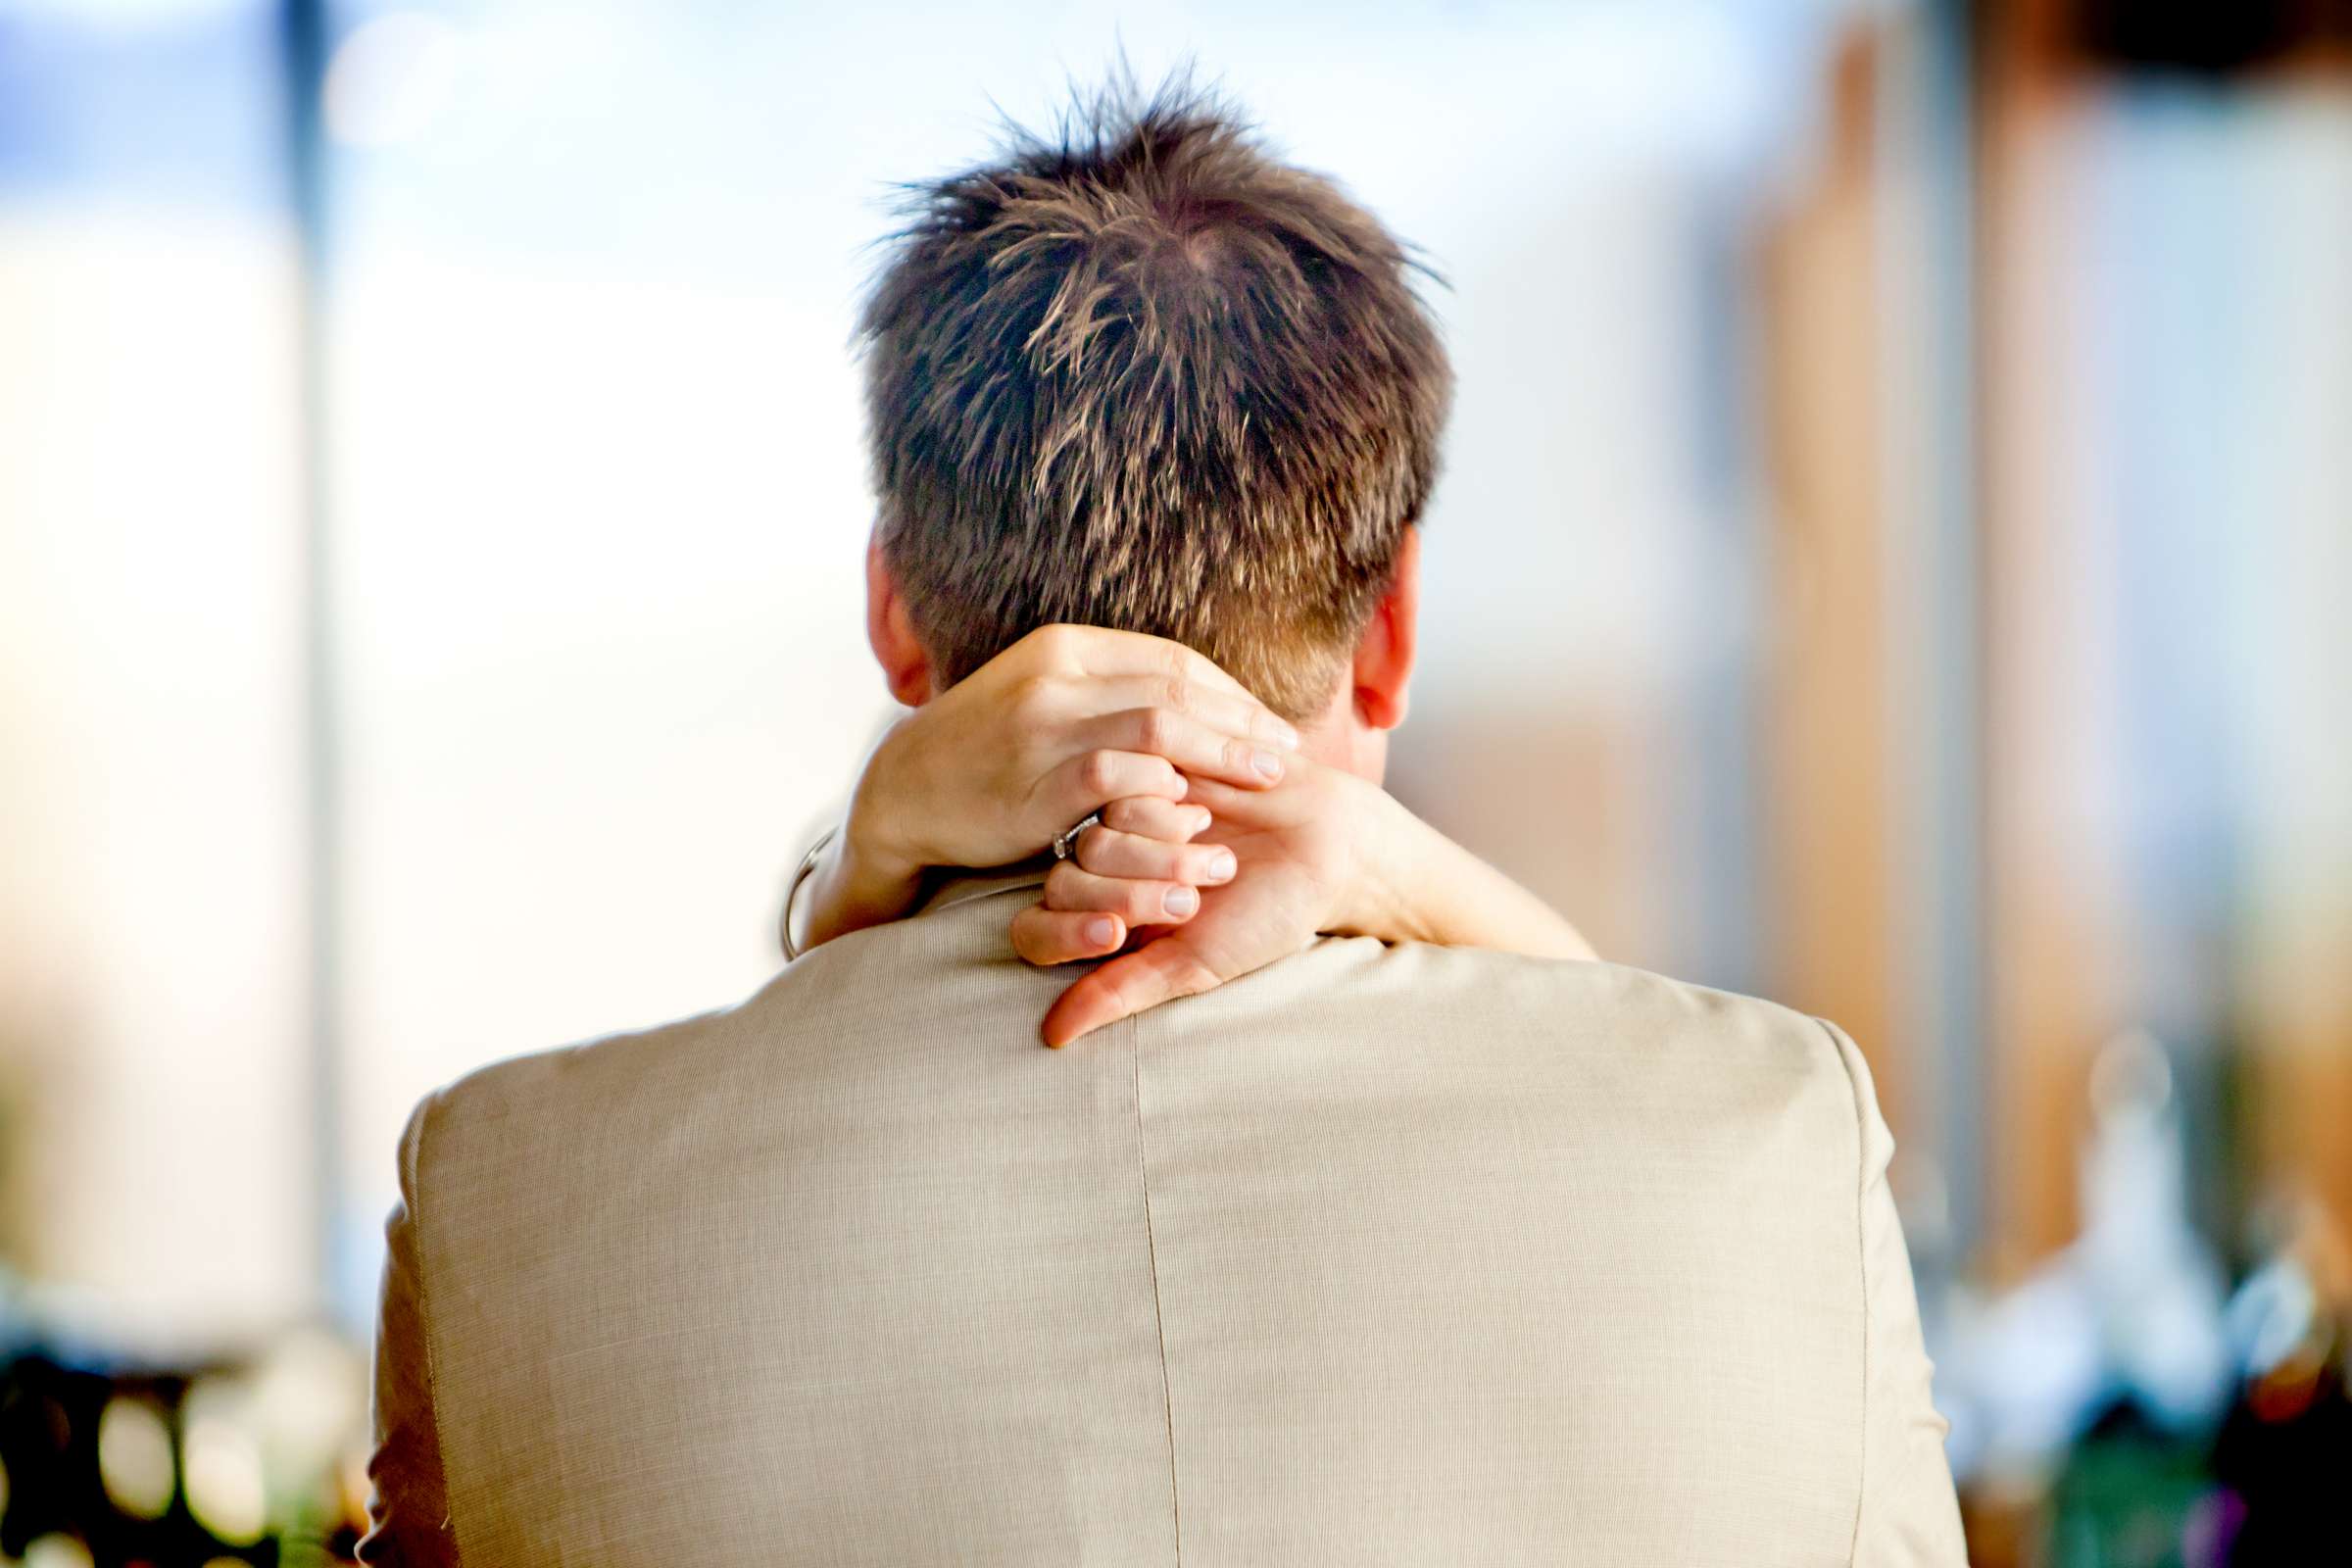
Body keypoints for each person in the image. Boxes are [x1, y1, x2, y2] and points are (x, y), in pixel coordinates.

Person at [361, 80, 1967, 1565]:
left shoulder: (504, 1193)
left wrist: (845, 875)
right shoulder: (1774, 1139)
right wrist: (1415, 876)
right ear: (1394, 624)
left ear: (894, 622)